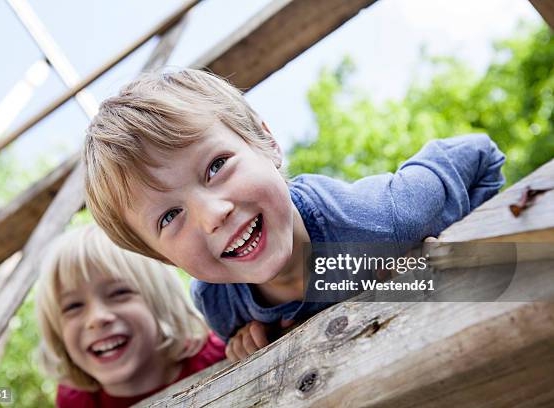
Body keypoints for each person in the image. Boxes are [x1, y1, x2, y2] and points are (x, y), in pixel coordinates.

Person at [82, 68, 506, 361]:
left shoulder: (383, 219)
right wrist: (247, 342)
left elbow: (478, 155)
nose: (213, 214)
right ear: (165, 259)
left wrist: (470, 232)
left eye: (216, 166)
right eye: (170, 216)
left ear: (267, 143)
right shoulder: (221, 306)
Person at [36, 224, 225, 407]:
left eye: (118, 293)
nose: (96, 318)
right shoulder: (75, 401)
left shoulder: (222, 353)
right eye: (73, 306)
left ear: (161, 301)